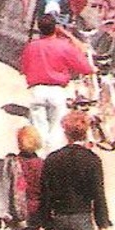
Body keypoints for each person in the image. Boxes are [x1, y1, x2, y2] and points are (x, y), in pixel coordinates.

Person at [19, 14, 93, 152]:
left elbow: (23, 69)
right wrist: (68, 35)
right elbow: (85, 67)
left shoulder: (31, 47)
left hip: (37, 91)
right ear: (55, 28)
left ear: (39, 29)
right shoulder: (63, 46)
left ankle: (39, 163)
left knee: (38, 131)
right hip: (57, 91)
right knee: (56, 132)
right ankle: (52, 165)